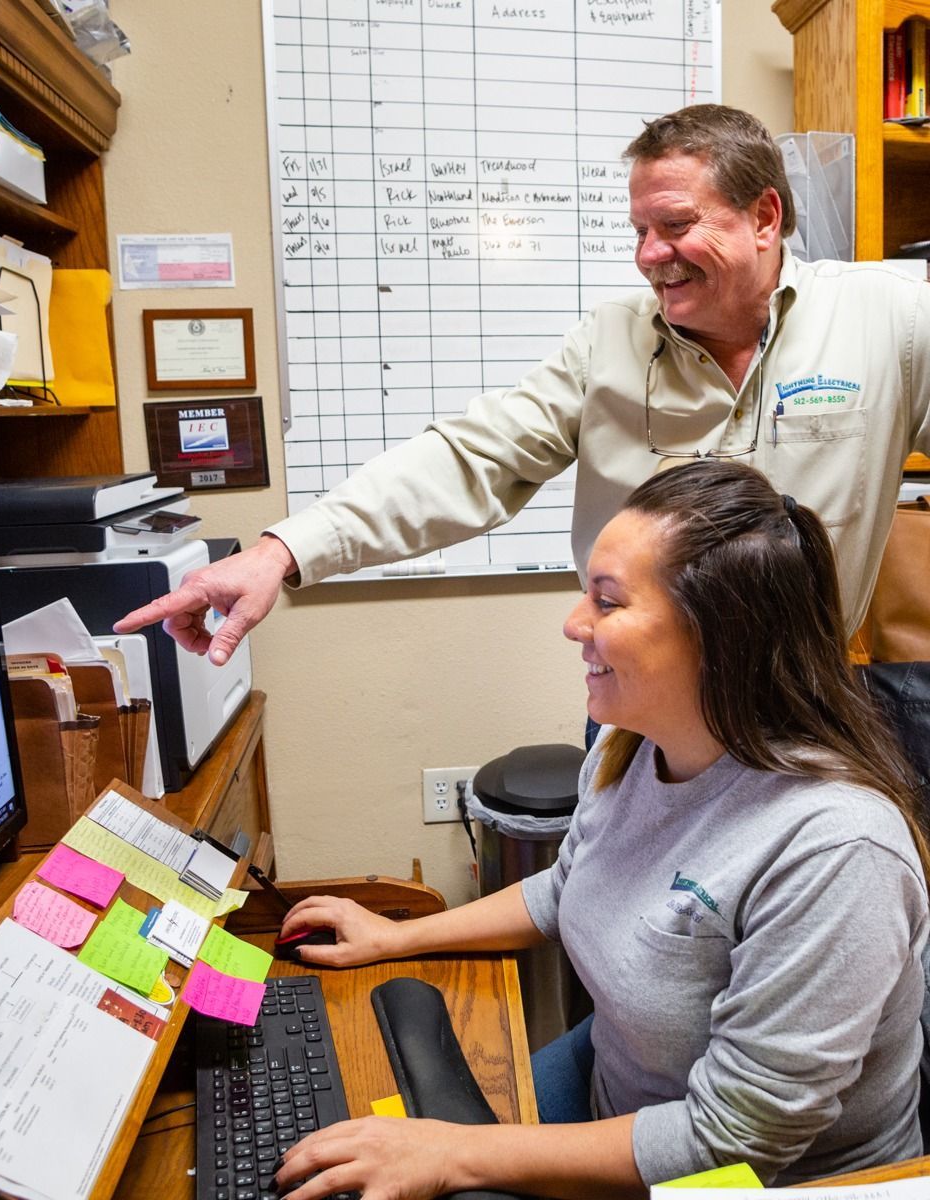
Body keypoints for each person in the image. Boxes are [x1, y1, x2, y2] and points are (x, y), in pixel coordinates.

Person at [268, 461, 930, 1199]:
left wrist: (455, 1154)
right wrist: (399, 937)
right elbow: (571, 884)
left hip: (758, 1178)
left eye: (608, 602)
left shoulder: (834, 851)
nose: (574, 623)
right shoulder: (633, 749)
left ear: (720, 640)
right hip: (622, 1089)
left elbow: (730, 1141)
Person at [114, 105, 930, 664]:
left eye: (676, 225)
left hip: (807, 702)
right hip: (640, 704)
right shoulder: (609, 342)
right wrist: (281, 550)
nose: (649, 253)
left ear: (764, 218)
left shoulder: (885, 319)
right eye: (640, 231)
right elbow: (470, 460)